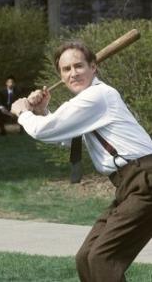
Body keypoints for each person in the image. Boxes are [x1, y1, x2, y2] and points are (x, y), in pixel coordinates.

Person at [11, 41, 152, 282]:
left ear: (93, 67)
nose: (73, 73)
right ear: (60, 76)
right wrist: (43, 111)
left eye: (79, 66)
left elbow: (44, 131)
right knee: (86, 256)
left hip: (145, 180)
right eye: (66, 69)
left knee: (102, 258)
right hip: (129, 184)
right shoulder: (89, 102)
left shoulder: (99, 96)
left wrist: (23, 111)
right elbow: (64, 138)